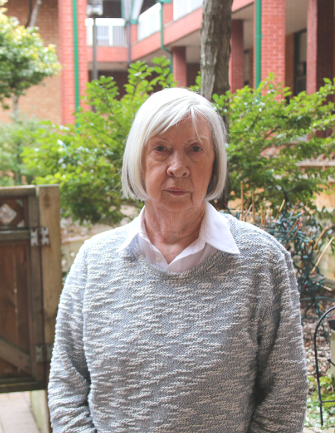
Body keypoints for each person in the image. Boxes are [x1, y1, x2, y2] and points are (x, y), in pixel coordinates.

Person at [48, 88, 308, 432]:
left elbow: (285, 397)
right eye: (161, 149)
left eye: (195, 149)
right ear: (138, 160)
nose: (178, 167)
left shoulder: (261, 261)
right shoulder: (95, 261)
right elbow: (67, 387)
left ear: (214, 162)